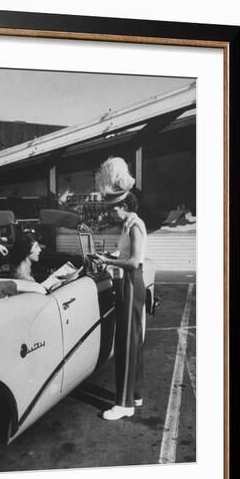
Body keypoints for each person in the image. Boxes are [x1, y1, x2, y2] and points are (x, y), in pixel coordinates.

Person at [93, 157, 147, 420]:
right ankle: (134, 394)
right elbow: (129, 254)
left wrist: (108, 260)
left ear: (124, 206)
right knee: (132, 340)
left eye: (114, 209)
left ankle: (124, 404)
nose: (111, 213)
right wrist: (114, 254)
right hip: (131, 281)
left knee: (125, 342)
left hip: (130, 281)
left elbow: (134, 261)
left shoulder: (135, 226)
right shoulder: (129, 225)